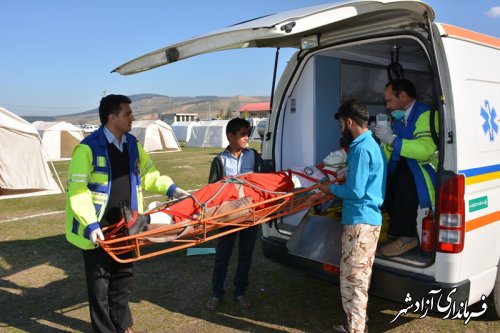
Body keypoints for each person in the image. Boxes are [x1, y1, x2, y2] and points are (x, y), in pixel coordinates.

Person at [65, 94, 189, 333]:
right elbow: (77, 192)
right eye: (128, 114)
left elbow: (150, 174)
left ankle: (123, 326)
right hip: (99, 230)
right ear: (112, 118)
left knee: (123, 279)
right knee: (99, 287)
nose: (133, 118)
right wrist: (91, 226)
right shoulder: (87, 149)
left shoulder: (132, 144)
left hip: (128, 225)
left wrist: (171, 189)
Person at [319, 99, 386, 333]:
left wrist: (330, 189)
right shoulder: (373, 144)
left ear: (348, 121)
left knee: (352, 281)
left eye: (340, 124)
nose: (340, 129)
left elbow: (355, 191)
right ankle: (355, 324)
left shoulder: (359, 147)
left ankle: (356, 329)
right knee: (359, 279)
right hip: (369, 220)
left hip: (359, 222)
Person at [205, 117, 265, 311]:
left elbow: (264, 180)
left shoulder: (254, 156)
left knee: (245, 256)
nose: (247, 137)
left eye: (248, 133)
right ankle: (216, 294)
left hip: (250, 215)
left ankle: (240, 292)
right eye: (242, 134)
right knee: (223, 256)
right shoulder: (219, 160)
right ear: (231, 136)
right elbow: (212, 190)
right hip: (228, 217)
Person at [373, 79, 438, 257]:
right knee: (385, 183)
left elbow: (426, 149)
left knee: (403, 183)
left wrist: (392, 140)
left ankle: (407, 238)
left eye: (389, 100)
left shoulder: (424, 114)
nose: (387, 106)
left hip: (424, 170)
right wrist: (374, 167)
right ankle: (397, 232)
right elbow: (388, 148)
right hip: (407, 167)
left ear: (403, 96)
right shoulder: (400, 118)